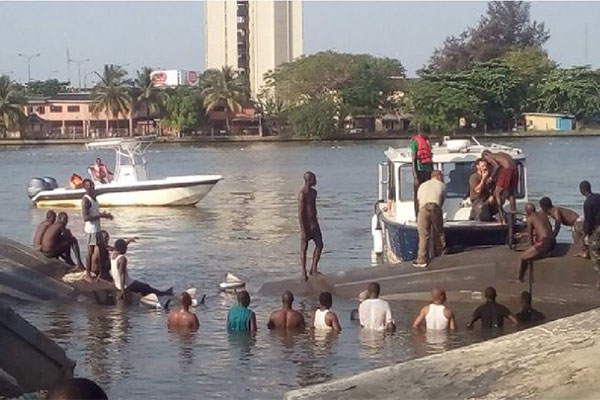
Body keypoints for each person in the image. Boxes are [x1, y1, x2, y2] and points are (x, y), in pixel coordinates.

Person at [413, 170, 446, 268]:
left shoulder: (422, 185)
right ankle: (441, 254)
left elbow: (418, 199)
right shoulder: (441, 185)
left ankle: (422, 260)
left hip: (423, 209)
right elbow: (442, 199)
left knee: (424, 235)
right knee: (439, 232)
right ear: (439, 176)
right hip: (435, 207)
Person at [82, 179, 113, 281]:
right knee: (90, 251)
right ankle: (88, 273)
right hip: (91, 230)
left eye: (92, 185)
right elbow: (86, 218)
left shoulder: (93, 197)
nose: (91, 187)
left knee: (102, 249)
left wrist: (105, 215)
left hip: (97, 228)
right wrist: (100, 215)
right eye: (89, 186)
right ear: (85, 188)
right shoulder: (86, 200)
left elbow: (95, 212)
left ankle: (103, 272)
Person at [516, 203, 555, 283]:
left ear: (527, 211)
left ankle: (519, 279)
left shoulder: (530, 218)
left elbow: (530, 236)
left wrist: (530, 248)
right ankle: (545, 253)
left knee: (523, 257)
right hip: (553, 241)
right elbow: (547, 228)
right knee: (535, 251)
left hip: (545, 242)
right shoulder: (542, 214)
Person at [298, 171, 323, 281]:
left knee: (319, 244)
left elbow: (314, 208)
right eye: (314, 179)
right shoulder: (302, 194)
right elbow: (300, 213)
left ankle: (313, 268)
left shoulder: (314, 192)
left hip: (314, 223)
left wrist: (316, 221)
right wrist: (303, 229)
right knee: (304, 247)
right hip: (306, 224)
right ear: (309, 180)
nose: (316, 181)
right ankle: (303, 271)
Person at [481, 150, 518, 224]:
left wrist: (491, 177)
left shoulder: (491, 156)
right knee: (511, 193)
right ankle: (513, 216)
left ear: (486, 156)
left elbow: (496, 166)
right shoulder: (501, 154)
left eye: (486, 160)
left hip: (507, 170)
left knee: (497, 193)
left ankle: (502, 217)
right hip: (515, 170)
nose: (488, 162)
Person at [581, 180, 600, 289]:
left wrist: (584, 236)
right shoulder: (598, 197)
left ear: (582, 191)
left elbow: (588, 221)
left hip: (597, 229)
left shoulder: (588, 203)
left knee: (595, 252)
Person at [411, 131, 434, 217]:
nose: (427, 135)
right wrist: (415, 174)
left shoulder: (428, 141)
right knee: (418, 194)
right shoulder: (415, 142)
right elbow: (413, 159)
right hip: (419, 170)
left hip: (428, 170)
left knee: (428, 193)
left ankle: (429, 213)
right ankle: (417, 215)